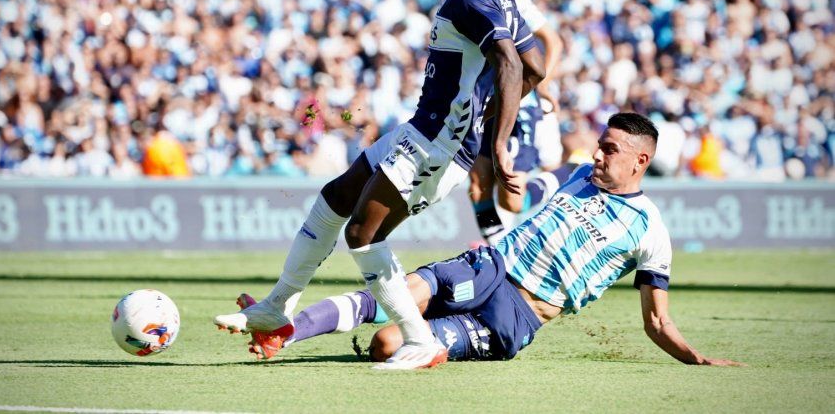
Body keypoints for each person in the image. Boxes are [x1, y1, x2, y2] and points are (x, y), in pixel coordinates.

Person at [214, 0, 546, 370]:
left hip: (438, 146)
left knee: (363, 234)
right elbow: (537, 65)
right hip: (420, 130)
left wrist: (493, 140)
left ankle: (420, 340)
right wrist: (484, 111)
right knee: (334, 197)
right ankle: (277, 307)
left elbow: (513, 65)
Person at [245, 113, 744, 368]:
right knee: (398, 293)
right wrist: (497, 182)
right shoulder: (573, 175)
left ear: (640, 160)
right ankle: (283, 332)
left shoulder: (651, 232)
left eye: (610, 150)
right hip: (488, 265)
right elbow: (513, 200)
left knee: (385, 345)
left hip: (517, 316)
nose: (597, 154)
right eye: (599, 144)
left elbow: (657, 319)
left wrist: (693, 357)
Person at [469, 0, 564, 244]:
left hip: (517, 103)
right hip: (485, 105)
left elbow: (552, 39)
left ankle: (567, 173)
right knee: (477, 186)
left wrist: (543, 81)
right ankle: (501, 256)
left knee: (513, 199)